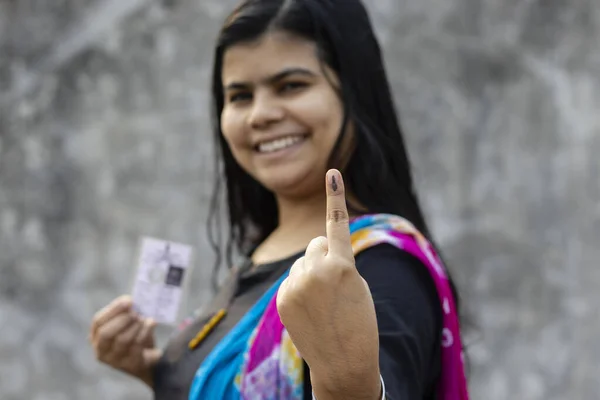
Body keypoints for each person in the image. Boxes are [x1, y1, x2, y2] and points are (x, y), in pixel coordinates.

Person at [89, 0, 470, 399]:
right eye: (239, 96)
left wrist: (349, 385)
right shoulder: (259, 257)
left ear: (354, 92)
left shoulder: (379, 268)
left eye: (291, 86)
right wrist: (158, 371)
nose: (260, 114)